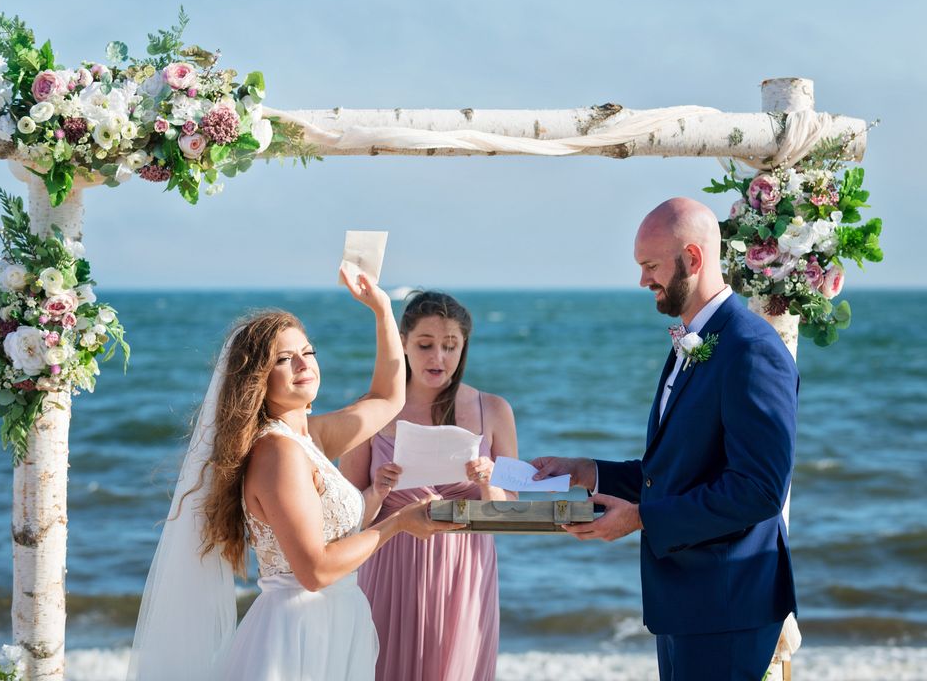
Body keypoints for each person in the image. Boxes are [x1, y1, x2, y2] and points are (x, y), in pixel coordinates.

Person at [128, 270, 462, 681]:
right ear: (258, 379)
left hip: (335, 623)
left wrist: (381, 310)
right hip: (296, 637)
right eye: (285, 359)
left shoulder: (310, 437)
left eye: (309, 351)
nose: (305, 365)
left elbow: (389, 397)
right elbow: (314, 571)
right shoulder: (277, 452)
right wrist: (398, 523)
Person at [533, 198, 798, 681]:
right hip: (686, 605)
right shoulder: (692, 342)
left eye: (651, 266)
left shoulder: (752, 349)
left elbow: (758, 490)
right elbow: (678, 472)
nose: (643, 281)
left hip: (727, 606)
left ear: (693, 260)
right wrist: (588, 471)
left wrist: (640, 519)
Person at [340, 290, 518, 681]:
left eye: (450, 346)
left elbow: (509, 513)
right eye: (425, 345)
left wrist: (489, 483)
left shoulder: (495, 410)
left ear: (463, 348)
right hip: (389, 565)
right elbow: (344, 520)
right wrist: (379, 492)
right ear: (402, 343)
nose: (438, 357)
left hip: (465, 572)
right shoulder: (368, 412)